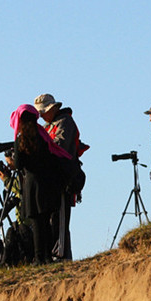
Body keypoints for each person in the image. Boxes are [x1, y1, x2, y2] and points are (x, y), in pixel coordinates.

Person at [9, 104, 71, 264]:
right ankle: (48, 256)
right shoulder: (43, 136)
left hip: (31, 184)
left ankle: (38, 257)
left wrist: (12, 162)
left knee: (36, 223)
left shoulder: (20, 140)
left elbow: (20, 164)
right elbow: (53, 156)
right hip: (47, 183)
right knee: (45, 221)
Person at [34, 93, 85, 261]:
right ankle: (56, 254)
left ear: (53, 108)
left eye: (43, 111)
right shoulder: (48, 126)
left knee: (60, 220)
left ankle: (61, 256)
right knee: (53, 220)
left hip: (63, 179)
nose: (41, 115)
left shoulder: (65, 122)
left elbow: (59, 146)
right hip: (53, 180)